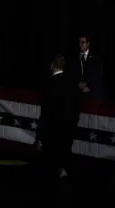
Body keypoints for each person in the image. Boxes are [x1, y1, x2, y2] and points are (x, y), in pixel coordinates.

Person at [36, 55, 82, 194]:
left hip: (52, 133)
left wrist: (40, 136)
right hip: (67, 129)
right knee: (66, 161)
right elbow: (76, 108)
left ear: (52, 65)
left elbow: (45, 113)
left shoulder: (48, 85)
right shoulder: (71, 83)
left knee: (50, 170)